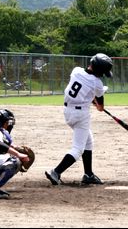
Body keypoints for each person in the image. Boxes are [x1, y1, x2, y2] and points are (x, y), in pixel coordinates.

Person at [45, 53, 113, 186]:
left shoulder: (76, 70)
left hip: (68, 111)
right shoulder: (97, 83)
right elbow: (100, 107)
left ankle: (88, 174)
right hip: (81, 115)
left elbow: (83, 89)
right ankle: (56, 172)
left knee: (88, 140)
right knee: (78, 149)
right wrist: (94, 99)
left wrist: (91, 98)